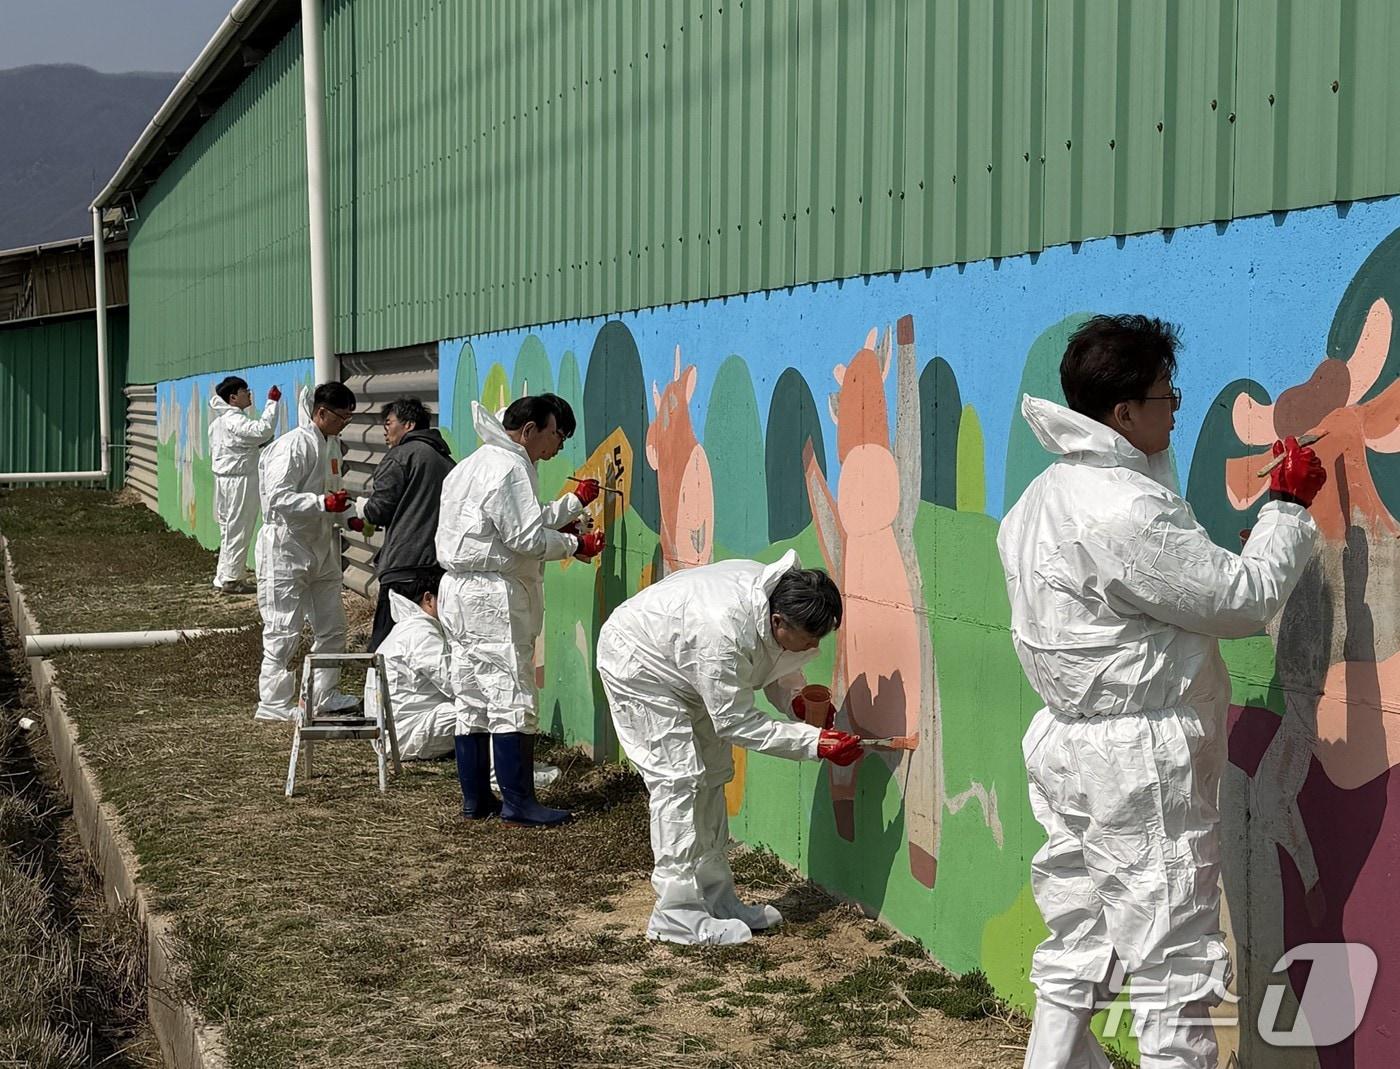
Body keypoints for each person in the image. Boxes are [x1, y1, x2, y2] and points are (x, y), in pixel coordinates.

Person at [996, 315, 1325, 1069]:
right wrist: (1286, 507)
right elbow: (1240, 599)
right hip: (1136, 760)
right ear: (1123, 414)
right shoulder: (1125, 507)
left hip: (1069, 745)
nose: (1176, 406)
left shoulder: (1041, 499)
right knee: (1173, 967)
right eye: (1165, 394)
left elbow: (1160, 590)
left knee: (1076, 938)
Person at [596, 553, 863, 946]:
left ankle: (718, 901)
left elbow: (771, 657)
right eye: (809, 638)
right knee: (677, 779)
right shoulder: (723, 632)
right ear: (778, 621)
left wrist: (795, 700)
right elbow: (735, 722)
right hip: (639, 665)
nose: (813, 646)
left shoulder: (774, 602)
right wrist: (814, 743)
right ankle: (676, 914)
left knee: (713, 773)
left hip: (685, 667)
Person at [436, 393, 604, 827]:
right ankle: (519, 802)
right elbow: (525, 538)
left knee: (470, 695)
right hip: (491, 595)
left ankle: (477, 799)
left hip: (457, 588)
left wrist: (572, 503)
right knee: (511, 692)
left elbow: (515, 522)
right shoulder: (510, 467)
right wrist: (575, 543)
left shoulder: (472, 465)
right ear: (530, 431)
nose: (559, 447)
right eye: (557, 435)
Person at [254, 381, 361, 721]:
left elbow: (334, 493)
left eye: (349, 418)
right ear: (321, 412)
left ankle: (323, 694)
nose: (345, 423)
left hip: (320, 545)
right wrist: (321, 502)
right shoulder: (293, 446)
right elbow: (278, 498)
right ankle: (274, 703)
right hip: (285, 547)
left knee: (332, 625)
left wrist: (349, 517)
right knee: (283, 627)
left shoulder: (331, 446)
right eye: (342, 417)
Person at [352, 397, 455, 652]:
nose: (385, 430)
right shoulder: (447, 461)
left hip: (404, 566)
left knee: (386, 645)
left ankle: (378, 692)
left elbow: (379, 510)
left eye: (389, 423)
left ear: (408, 425)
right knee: (428, 643)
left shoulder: (401, 455)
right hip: (438, 567)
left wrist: (359, 507)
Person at [365, 568, 455, 760]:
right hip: (405, 735)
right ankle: (500, 773)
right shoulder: (421, 633)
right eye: (449, 599)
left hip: (394, 732)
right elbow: (454, 683)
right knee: (481, 709)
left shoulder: (407, 628)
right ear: (429, 599)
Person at [208, 375, 280, 595]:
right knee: (239, 528)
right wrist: (272, 403)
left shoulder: (217, 423)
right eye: (244, 391)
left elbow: (238, 446)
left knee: (228, 529)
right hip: (239, 480)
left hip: (224, 480)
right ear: (232, 397)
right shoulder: (235, 419)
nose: (249, 394)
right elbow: (262, 431)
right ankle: (232, 579)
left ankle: (224, 576)